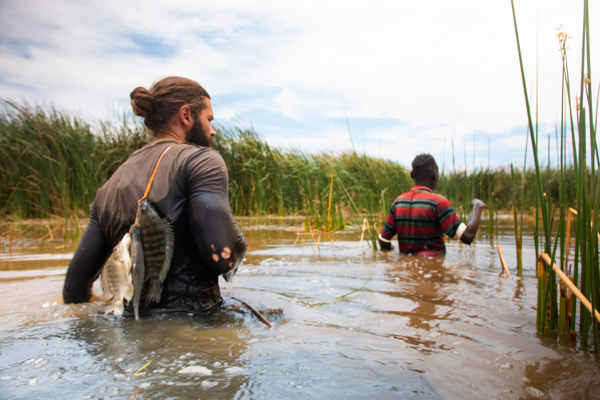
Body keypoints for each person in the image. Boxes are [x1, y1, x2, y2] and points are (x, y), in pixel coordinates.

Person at [63, 76, 247, 316]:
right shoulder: (201, 160)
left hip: (126, 332)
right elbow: (224, 258)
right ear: (186, 115)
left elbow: (74, 290)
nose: (212, 131)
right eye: (209, 119)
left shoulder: (109, 187)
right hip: (193, 330)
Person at [378, 153, 486, 256]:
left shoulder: (398, 203)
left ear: (412, 175)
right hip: (433, 270)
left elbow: (383, 241)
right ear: (435, 175)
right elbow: (467, 236)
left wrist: (392, 251)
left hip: (406, 270)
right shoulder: (439, 202)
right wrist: (477, 207)